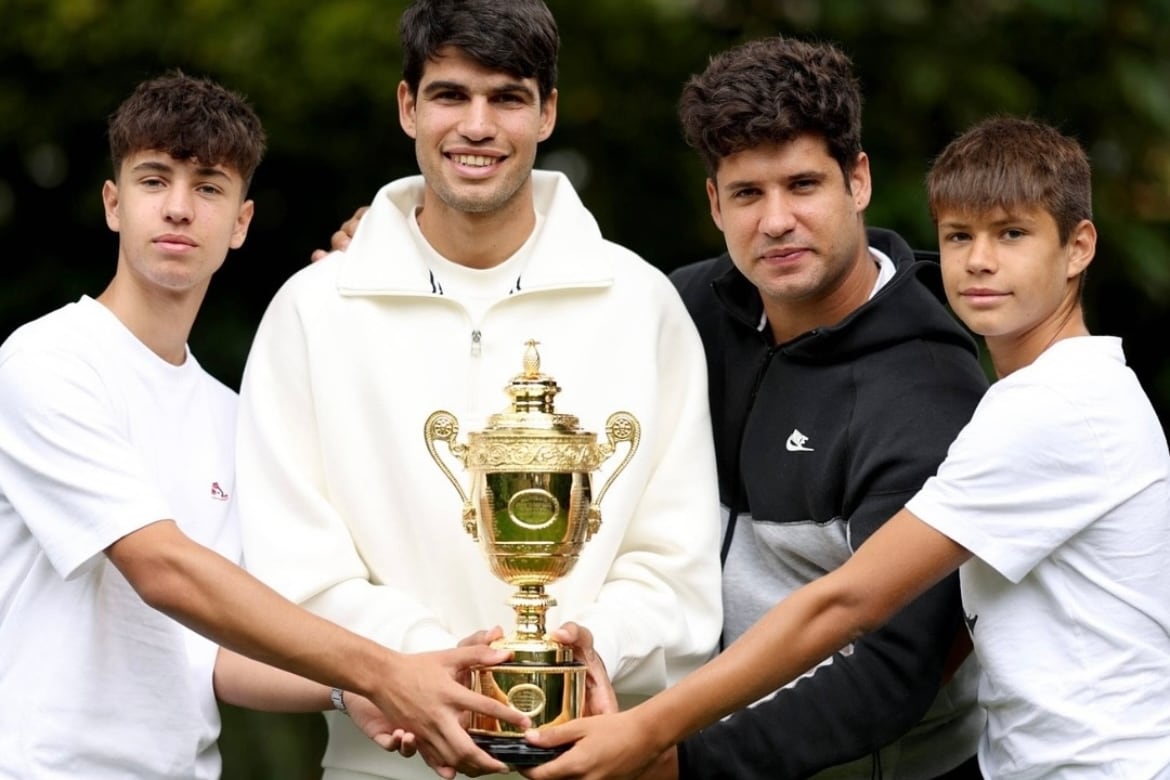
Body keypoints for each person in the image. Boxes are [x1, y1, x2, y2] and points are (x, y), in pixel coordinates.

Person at [322, 35, 989, 779]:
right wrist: (393, 252)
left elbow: (895, 666)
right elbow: (522, 334)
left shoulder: (928, 393)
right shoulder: (685, 308)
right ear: (713, 202)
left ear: (857, 181)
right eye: (746, 193)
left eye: (803, 186)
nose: (775, 221)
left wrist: (677, 760)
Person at [523, 116, 1170, 780]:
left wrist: (653, 736)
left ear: (1079, 247)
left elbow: (848, 603)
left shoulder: (1053, 409)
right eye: (958, 236)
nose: (979, 260)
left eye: (1012, 234)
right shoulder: (1050, 396)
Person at [233, 1, 723, 779]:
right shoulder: (313, 311)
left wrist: (590, 649)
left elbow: (677, 562)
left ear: (548, 111)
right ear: (407, 107)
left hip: (592, 761)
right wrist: (423, 664)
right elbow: (288, 566)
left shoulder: (642, 304)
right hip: (384, 766)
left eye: (507, 97)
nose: (477, 126)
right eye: (451, 95)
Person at [0, 71, 529, 780]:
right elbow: (164, 571)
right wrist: (382, 670)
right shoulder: (46, 360)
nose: (180, 209)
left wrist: (349, 691)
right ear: (113, 204)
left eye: (210, 187)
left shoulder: (230, 411)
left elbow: (212, 651)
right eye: (154, 181)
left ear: (241, 222)